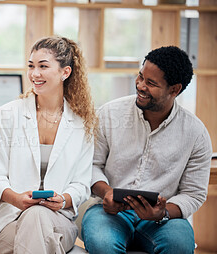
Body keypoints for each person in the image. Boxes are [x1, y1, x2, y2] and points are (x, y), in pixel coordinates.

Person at [81, 46, 213, 254]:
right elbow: (92, 165)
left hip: (164, 220)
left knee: (179, 245)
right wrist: (106, 192)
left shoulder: (195, 133)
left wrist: (162, 213)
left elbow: (194, 193)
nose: (140, 86)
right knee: (103, 244)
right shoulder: (109, 114)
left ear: (174, 89)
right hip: (110, 213)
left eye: (151, 83)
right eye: (140, 77)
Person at [0, 36, 97, 254]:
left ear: (65, 72)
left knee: (37, 216)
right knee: (35, 224)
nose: (35, 74)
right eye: (31, 66)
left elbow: (82, 184)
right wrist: (15, 198)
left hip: (57, 221)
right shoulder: (8, 114)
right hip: (9, 220)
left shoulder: (82, 122)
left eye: (43, 66)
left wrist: (63, 200)